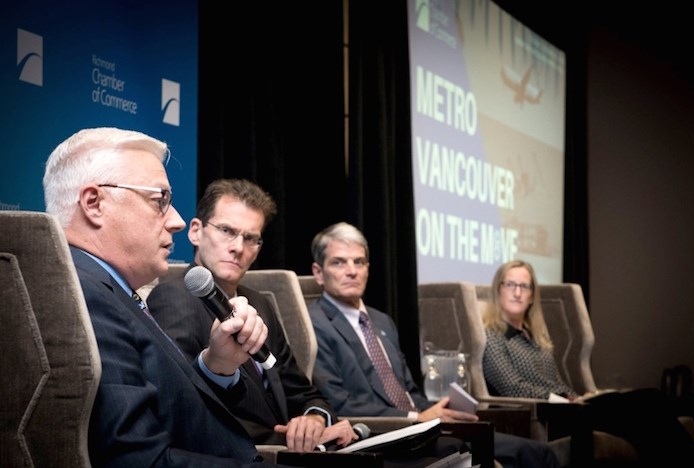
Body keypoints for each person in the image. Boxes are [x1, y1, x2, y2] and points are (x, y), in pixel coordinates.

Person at [42, 127, 290, 467]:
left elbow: (171, 414)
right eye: (160, 201)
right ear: (94, 204)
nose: (175, 221)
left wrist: (216, 365)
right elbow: (140, 459)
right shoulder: (84, 297)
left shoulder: (108, 291)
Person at [307, 222, 561, 468]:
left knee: (536, 452)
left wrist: (440, 409)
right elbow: (338, 403)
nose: (352, 270)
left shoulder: (381, 321)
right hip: (380, 433)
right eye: (339, 262)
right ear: (319, 273)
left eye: (359, 262)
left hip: (423, 425)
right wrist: (416, 417)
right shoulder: (313, 323)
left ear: (368, 268)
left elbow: (408, 391)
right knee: (489, 452)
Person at [146, 178, 357, 452]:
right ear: (196, 231)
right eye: (226, 230)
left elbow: (301, 391)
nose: (238, 247)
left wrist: (314, 419)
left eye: (250, 238)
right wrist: (289, 441)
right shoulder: (174, 297)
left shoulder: (261, 303)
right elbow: (189, 404)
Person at [482, 259, 694, 467]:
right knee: (647, 405)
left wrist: (576, 396)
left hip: (571, 408)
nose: (517, 292)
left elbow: (555, 381)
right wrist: (563, 400)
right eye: (510, 284)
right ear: (498, 290)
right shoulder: (492, 335)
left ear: (532, 296)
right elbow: (511, 387)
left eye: (524, 286)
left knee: (651, 403)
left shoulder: (535, 336)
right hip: (549, 415)